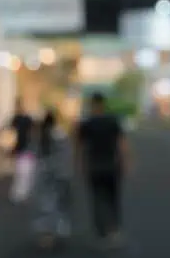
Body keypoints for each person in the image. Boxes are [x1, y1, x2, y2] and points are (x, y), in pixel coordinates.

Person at [75, 93, 129, 248]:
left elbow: (80, 147)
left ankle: (101, 230)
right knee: (113, 197)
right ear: (103, 105)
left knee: (97, 198)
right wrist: (125, 161)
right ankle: (114, 229)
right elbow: (122, 143)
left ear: (92, 105)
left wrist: (79, 165)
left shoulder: (87, 124)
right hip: (111, 165)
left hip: (94, 166)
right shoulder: (112, 121)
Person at [32, 110, 72, 247]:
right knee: (60, 204)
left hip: (44, 173)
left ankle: (46, 235)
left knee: (45, 204)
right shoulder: (61, 135)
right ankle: (58, 231)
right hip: (60, 174)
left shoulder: (41, 135)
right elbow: (67, 155)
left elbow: (36, 154)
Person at [8, 102, 37, 202]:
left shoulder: (17, 119)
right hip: (23, 148)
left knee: (22, 171)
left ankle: (21, 192)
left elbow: (11, 133)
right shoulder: (20, 119)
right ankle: (22, 192)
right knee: (24, 171)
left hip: (23, 148)